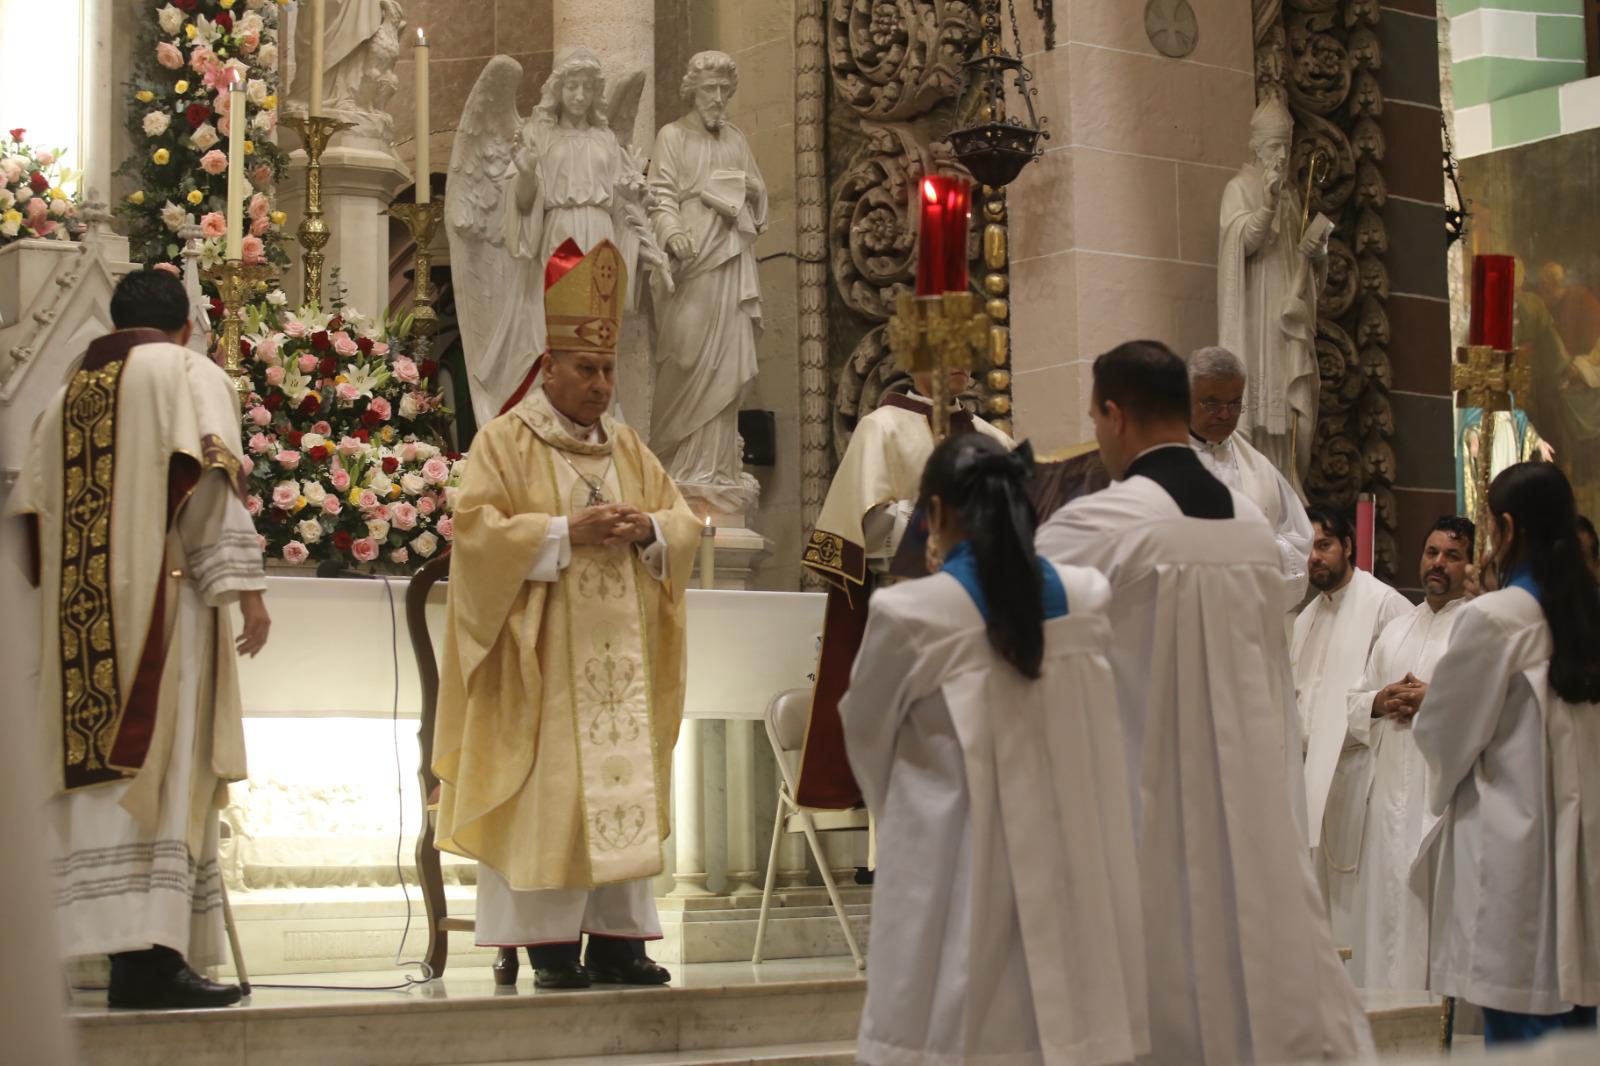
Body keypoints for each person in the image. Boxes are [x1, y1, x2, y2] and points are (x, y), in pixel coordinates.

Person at [1037, 340, 1369, 1063]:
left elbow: (1029, 652)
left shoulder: (1091, 527)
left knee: (1153, 991)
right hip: (1244, 792)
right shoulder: (1251, 527)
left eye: (1095, 418)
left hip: (1138, 793)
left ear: (1115, 415)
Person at [430, 239, 701, 989]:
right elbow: (475, 534)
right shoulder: (505, 442)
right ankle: (548, 946)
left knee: (622, 786)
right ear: (548, 367)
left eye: (608, 370)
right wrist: (561, 533)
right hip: (541, 667)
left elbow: (681, 521)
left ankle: (617, 941)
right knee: (551, 793)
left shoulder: (629, 449)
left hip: (621, 668)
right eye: (586, 369)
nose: (601, 385)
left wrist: (650, 529)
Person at [840, 434, 1147, 1066]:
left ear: (936, 511)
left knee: (959, 1025)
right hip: (1069, 854)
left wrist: (905, 815)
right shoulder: (1087, 596)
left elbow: (867, 735)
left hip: (956, 860)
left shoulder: (910, 612)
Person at [9, 267, 270, 1009]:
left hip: (78, 631)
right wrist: (246, 592)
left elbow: (28, 520)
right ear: (186, 326)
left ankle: (111, 956)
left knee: (100, 784)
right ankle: (150, 962)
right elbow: (211, 481)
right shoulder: (188, 371)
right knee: (159, 770)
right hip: (164, 611)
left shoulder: (66, 393)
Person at [1414, 462, 1600, 1045]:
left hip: (1513, 852)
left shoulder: (1496, 618)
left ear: (1509, 527)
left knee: (1519, 1023)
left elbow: (1444, 732)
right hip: (1583, 849)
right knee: (1579, 1024)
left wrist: (1444, 776)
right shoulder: (1587, 613)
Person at [796, 366, 1012, 809]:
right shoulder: (881, 428)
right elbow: (858, 532)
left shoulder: (995, 439)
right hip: (912, 616)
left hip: (985, 621)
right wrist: (942, 521)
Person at [1343, 516, 1474, 990]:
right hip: (1387, 803)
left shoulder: (1477, 629)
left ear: (1471, 566)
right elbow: (1355, 701)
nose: (1438, 563)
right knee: (1384, 911)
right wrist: (1381, 701)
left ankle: (1436, 1020)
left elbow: (1493, 704)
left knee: (1433, 913)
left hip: (1443, 802)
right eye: (1431, 552)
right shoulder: (1397, 630)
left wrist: (1432, 699)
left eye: (1452, 556)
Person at [648, 50, 768, 515]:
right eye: (709, 90)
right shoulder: (672, 136)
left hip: (731, 260)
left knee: (728, 363)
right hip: (692, 259)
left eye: (724, 90)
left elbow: (759, 197)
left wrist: (751, 191)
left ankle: (717, 471)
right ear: (692, 92)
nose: (718, 98)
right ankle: (676, 460)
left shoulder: (736, 139)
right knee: (687, 354)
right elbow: (659, 195)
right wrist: (672, 232)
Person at [1292, 506, 1408, 943]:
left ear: (1347, 546)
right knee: (1316, 903)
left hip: (1363, 773)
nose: (1314, 558)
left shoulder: (1384, 604)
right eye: (1308, 548)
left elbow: (1405, 685)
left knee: (1354, 905)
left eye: (1324, 545)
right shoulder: (1306, 617)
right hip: (1312, 777)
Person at [1217, 95, 1328, 499]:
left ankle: (1288, 480)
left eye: (1286, 146)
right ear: (1257, 147)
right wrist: (1265, 204)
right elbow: (1242, 242)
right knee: (1262, 410)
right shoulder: (1240, 188)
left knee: (1290, 402)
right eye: (1275, 147)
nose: (1282, 155)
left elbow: (1302, 261)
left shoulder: (1292, 197)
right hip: (1257, 311)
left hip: (1286, 308)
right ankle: (1261, 486)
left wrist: (1317, 253)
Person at [1186, 344, 1314, 605]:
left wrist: (1254, 551)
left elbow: (1299, 545)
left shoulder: (1259, 468)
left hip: (1247, 616)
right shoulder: (1161, 461)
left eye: (1234, 404)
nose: (1225, 414)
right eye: (1211, 403)